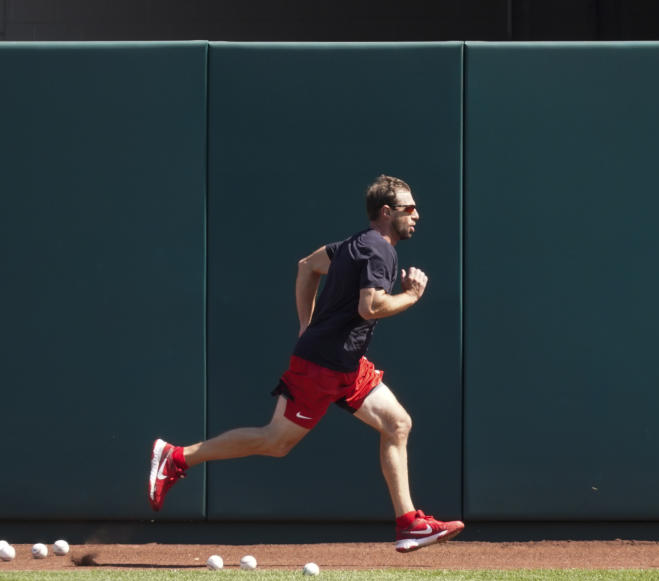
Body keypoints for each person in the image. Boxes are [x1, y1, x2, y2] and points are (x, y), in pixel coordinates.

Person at [148, 175, 464, 552]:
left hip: (346, 365)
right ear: (386, 212)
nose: (417, 214)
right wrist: (411, 295)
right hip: (322, 368)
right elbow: (371, 306)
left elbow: (307, 266)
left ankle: (409, 523)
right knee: (275, 442)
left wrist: (305, 323)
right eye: (408, 208)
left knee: (397, 423)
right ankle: (177, 456)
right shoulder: (379, 248)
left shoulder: (355, 244)